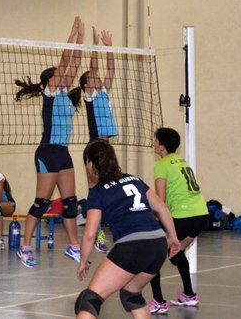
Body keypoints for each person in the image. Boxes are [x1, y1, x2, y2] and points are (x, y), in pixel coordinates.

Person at [74, 139, 181, 319]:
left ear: (91, 164)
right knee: (131, 294)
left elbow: (90, 233)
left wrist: (83, 261)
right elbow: (161, 207)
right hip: (158, 244)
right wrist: (173, 237)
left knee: (89, 300)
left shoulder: (98, 192)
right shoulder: (134, 179)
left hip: (132, 246)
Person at [14, 16, 85, 267]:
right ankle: (25, 247)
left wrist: (81, 38)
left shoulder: (63, 94)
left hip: (62, 152)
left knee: (70, 202)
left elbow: (74, 63)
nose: (63, 76)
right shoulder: (50, 92)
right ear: (49, 82)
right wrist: (72, 33)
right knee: (42, 203)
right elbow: (65, 61)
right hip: (47, 152)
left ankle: (74, 247)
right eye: (57, 75)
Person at [148, 127, 210, 313]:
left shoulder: (162, 165)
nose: (153, 143)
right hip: (201, 214)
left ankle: (158, 301)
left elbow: (160, 201)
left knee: (153, 254)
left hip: (183, 215)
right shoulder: (182, 162)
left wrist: (153, 221)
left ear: (162, 146)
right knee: (176, 252)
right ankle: (189, 295)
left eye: (155, 140)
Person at [80, 27, 119, 254]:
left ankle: (107, 226)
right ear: (86, 85)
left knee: (110, 187)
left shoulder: (103, 92)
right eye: (93, 77)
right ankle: (95, 233)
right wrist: (94, 46)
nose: (98, 77)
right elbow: (94, 67)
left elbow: (110, 69)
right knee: (95, 188)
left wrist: (109, 48)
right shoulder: (90, 95)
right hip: (95, 146)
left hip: (107, 146)